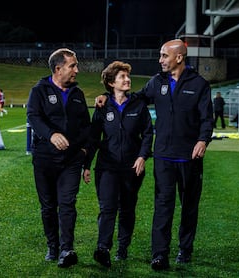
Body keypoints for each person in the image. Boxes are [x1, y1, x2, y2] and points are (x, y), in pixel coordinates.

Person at [95, 39, 214, 271]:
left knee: (189, 205)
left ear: (179, 57)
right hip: (163, 157)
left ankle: (185, 249)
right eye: (160, 56)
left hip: (190, 157)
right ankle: (160, 254)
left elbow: (206, 118)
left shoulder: (199, 84)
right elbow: (134, 98)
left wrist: (203, 139)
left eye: (164, 56)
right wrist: (105, 95)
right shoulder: (156, 82)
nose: (160, 60)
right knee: (163, 206)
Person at [82, 61, 153, 268]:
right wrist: (86, 165)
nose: (127, 79)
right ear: (112, 82)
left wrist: (142, 156)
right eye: (122, 77)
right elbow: (94, 138)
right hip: (107, 167)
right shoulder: (103, 106)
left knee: (127, 208)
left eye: (127, 76)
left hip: (132, 168)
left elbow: (148, 133)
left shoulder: (138, 105)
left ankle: (123, 246)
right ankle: (103, 248)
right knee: (108, 208)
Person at [26, 48, 91, 268]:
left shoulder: (78, 94)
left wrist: (82, 150)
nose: (77, 70)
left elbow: (86, 126)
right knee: (48, 206)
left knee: (67, 203)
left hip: (71, 161)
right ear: (58, 68)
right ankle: (52, 246)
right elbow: (33, 117)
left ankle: (66, 249)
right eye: (72, 66)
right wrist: (51, 134)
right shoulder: (39, 91)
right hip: (45, 159)